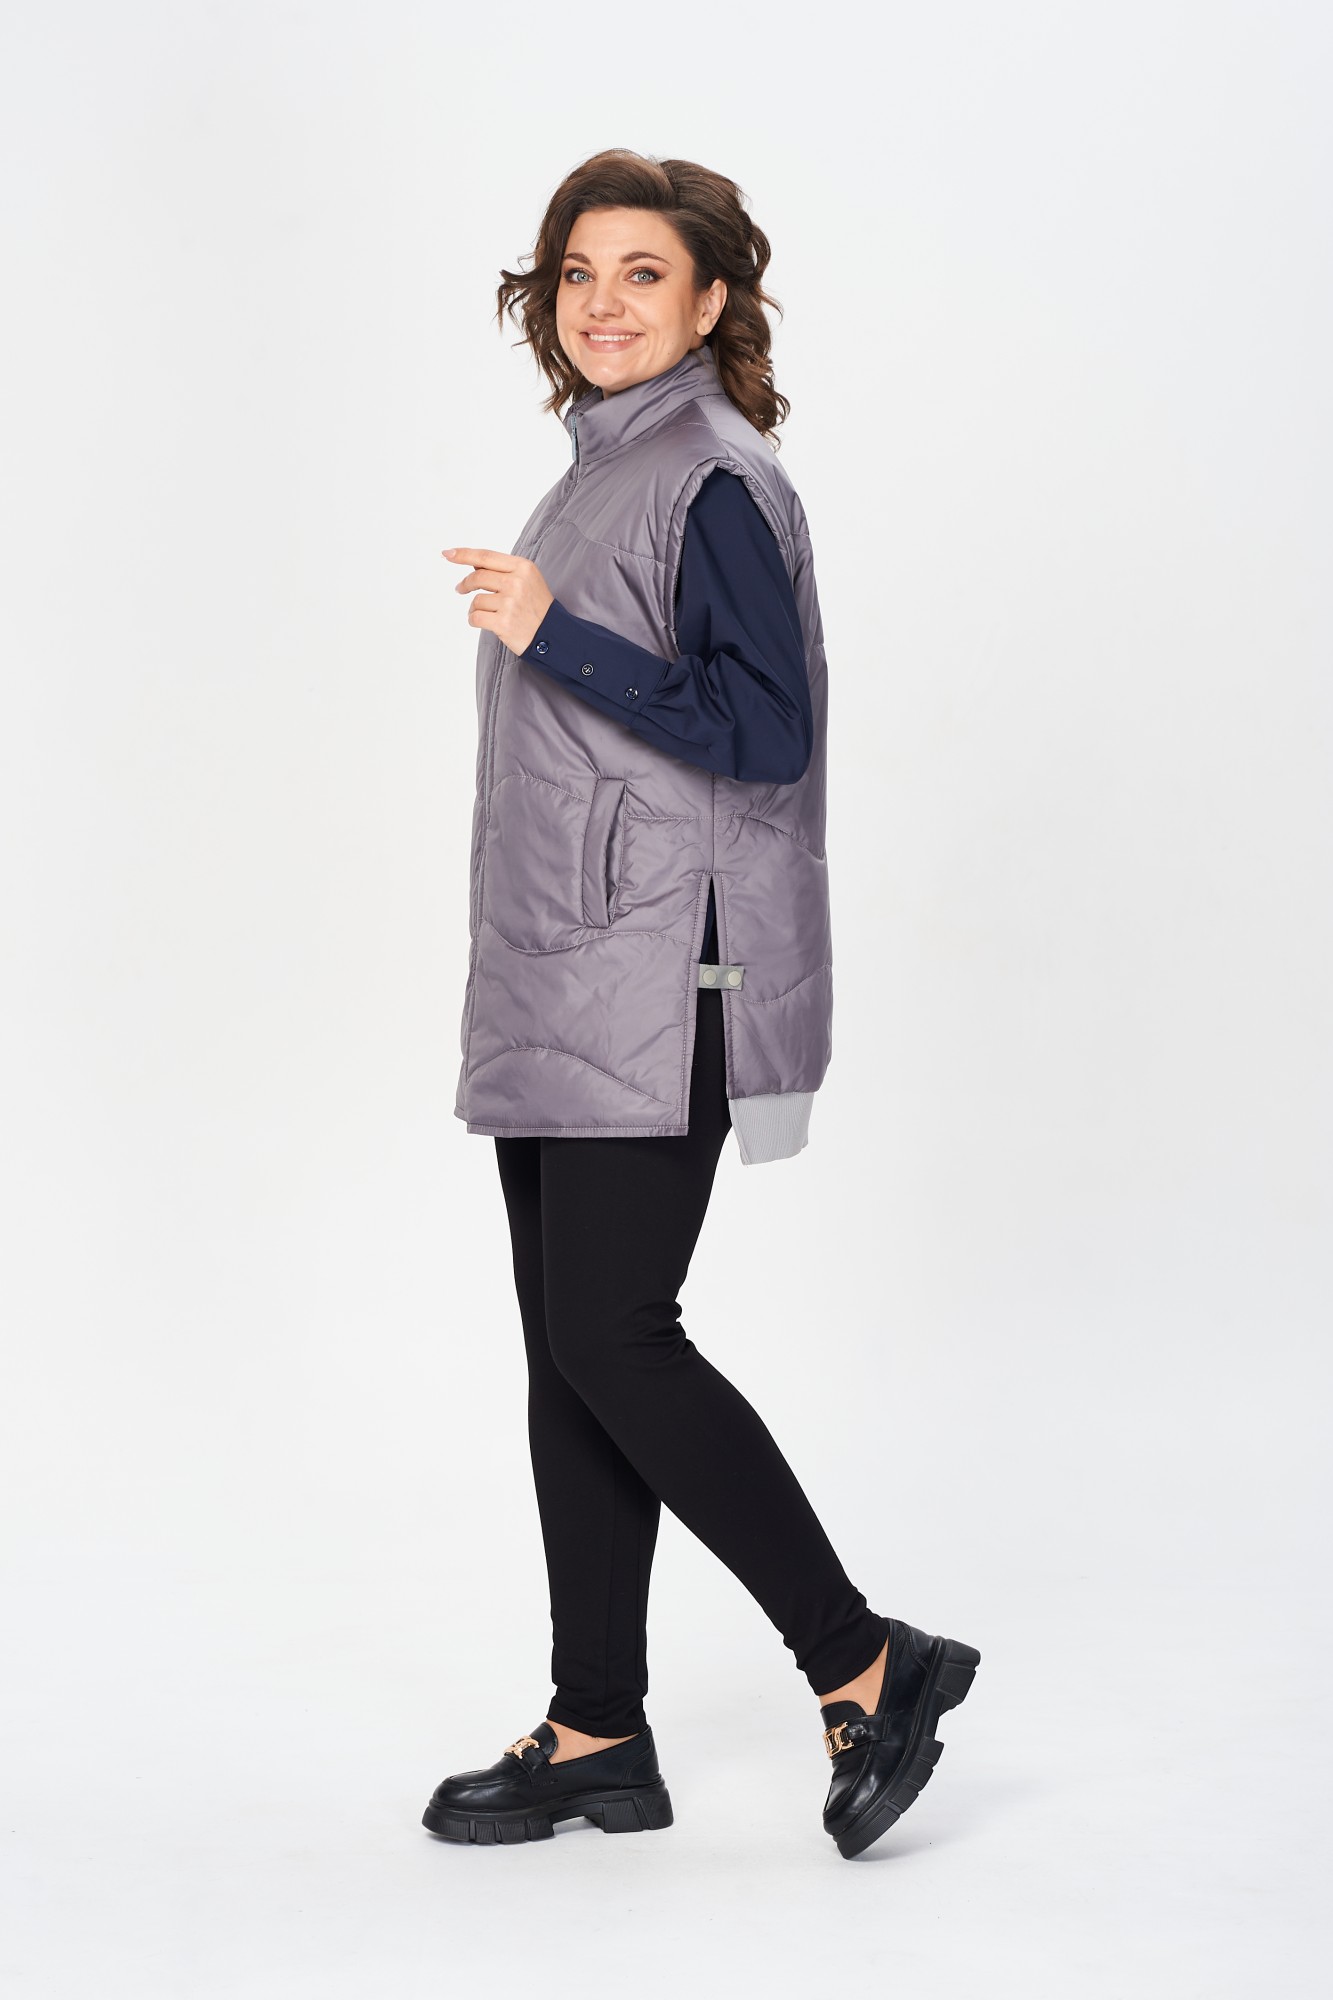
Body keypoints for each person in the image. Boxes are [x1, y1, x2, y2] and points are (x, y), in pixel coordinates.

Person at [424, 150, 980, 1859]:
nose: (602, 304)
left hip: (668, 974)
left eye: (642, 274)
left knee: (614, 1335)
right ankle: (596, 1726)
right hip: (563, 967)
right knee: (570, 1358)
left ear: (711, 299)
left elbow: (764, 731)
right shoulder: (598, 474)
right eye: (576, 274)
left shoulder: (714, 478)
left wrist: (557, 633)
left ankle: (861, 1658)